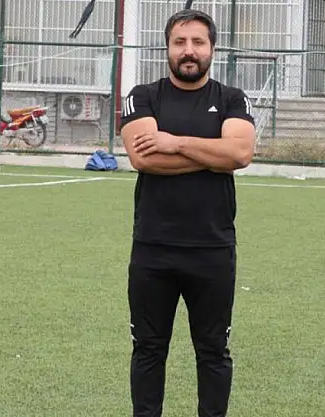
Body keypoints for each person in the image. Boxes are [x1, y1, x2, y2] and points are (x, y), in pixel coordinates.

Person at [119, 9, 256, 417]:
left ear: (212, 48)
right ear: (167, 48)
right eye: (180, 42)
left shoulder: (232, 98)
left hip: (212, 249)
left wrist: (175, 143)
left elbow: (240, 153)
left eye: (198, 42)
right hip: (153, 248)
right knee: (148, 349)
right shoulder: (143, 96)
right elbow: (144, 159)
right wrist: (213, 155)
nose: (189, 50)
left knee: (213, 351)